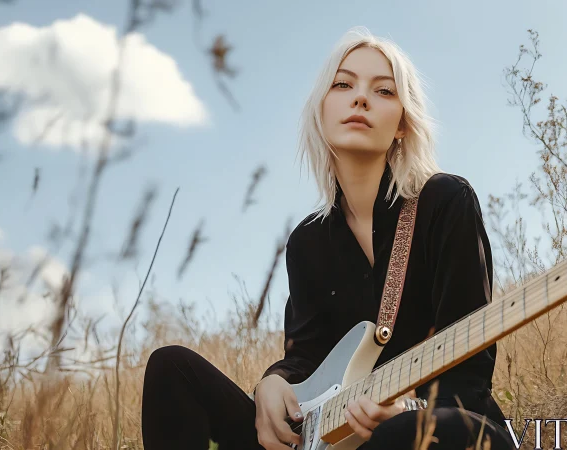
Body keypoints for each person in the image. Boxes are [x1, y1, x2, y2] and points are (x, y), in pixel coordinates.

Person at [141, 27, 516, 450]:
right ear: (321, 110)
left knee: (396, 435)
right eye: (343, 84)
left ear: (401, 125)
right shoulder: (308, 242)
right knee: (171, 367)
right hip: (327, 436)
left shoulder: (444, 202)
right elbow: (306, 358)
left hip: (447, 432)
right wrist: (273, 383)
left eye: (384, 91)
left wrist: (406, 414)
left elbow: (468, 374)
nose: (360, 98)